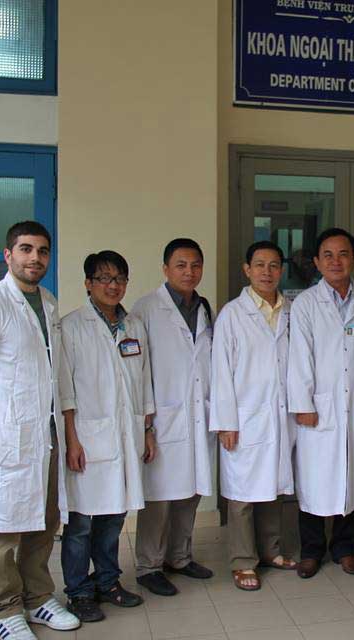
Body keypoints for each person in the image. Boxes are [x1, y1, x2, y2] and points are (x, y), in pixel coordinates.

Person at [0, 221, 80, 640]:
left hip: (45, 433)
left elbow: (56, 370)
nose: (34, 258)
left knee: (44, 520)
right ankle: (4, 610)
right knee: (2, 527)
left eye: (42, 251)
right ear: (8, 255)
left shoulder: (49, 303)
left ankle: (37, 597)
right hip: (6, 436)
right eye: (26, 249)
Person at [58, 251, 154, 622]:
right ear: (88, 283)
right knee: (81, 523)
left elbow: (144, 382)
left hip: (126, 434)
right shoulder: (71, 327)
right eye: (104, 278)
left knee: (114, 516)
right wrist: (71, 439)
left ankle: (108, 582)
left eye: (120, 279)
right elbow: (65, 391)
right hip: (87, 437)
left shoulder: (134, 326)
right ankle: (79, 592)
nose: (113, 286)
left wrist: (147, 430)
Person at [211, 240, 298, 591]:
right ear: (247, 270)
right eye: (259, 265)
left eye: (274, 265)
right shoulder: (233, 314)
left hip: (279, 414)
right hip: (244, 417)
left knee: (274, 487)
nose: (267, 272)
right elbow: (220, 371)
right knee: (243, 493)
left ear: (281, 270)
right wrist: (226, 422)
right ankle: (243, 560)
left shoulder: (291, 310)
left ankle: (271, 551)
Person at [130, 239, 215, 596]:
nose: (189, 272)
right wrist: (147, 425)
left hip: (197, 415)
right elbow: (138, 370)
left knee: (190, 491)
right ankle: (149, 565)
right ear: (165, 269)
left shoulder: (204, 307)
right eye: (181, 265)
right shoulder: (146, 308)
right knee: (159, 497)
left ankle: (179, 557)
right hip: (163, 419)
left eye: (195, 265)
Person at [287, 228, 354, 579]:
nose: (335, 261)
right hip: (318, 406)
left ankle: (345, 549)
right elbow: (299, 356)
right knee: (313, 480)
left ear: (353, 259)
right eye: (328, 255)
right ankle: (311, 551)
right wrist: (303, 403)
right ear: (317, 262)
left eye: (343, 254)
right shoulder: (306, 303)